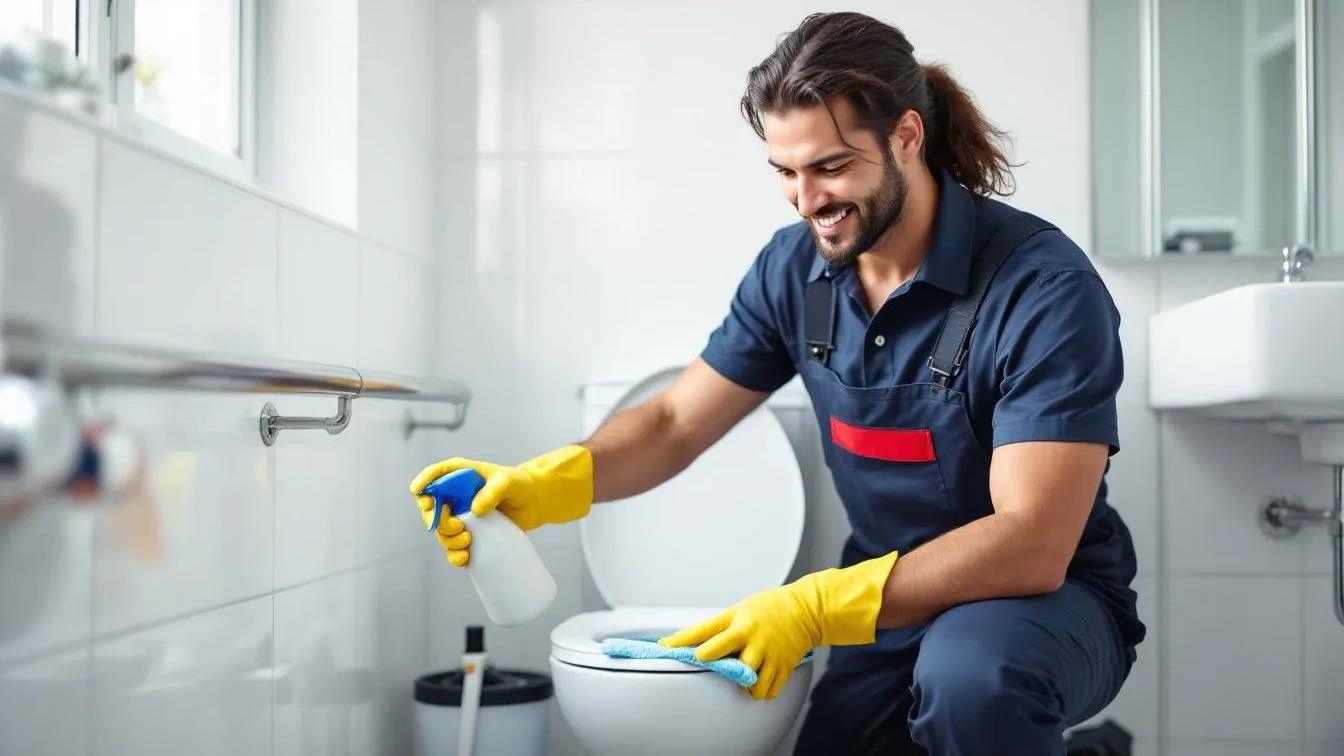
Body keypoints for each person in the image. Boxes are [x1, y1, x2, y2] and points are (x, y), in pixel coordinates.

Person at [410, 11, 1145, 755]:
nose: (805, 200)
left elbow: (1032, 543)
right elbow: (673, 423)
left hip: (1038, 604)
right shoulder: (793, 270)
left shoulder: (1043, 289)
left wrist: (813, 605)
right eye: (784, 172)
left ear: (907, 138)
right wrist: (545, 485)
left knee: (972, 684)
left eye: (829, 167)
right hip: (885, 603)